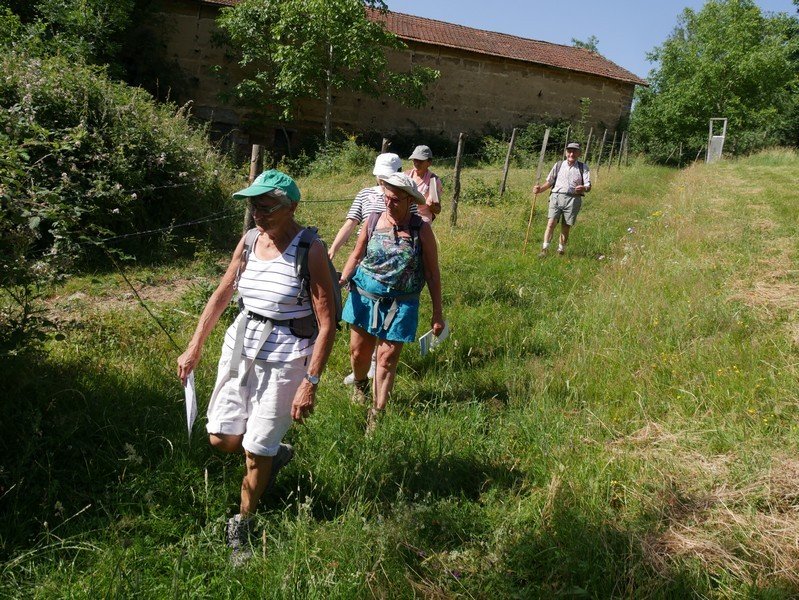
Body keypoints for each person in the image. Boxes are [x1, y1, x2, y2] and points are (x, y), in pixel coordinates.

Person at [176, 170, 336, 565]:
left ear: (292, 206)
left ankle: (243, 527)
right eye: (253, 206)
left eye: (267, 206)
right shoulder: (249, 241)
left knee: (254, 449)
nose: (258, 214)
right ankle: (274, 454)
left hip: (286, 361)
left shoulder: (310, 248)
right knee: (221, 438)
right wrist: (195, 346)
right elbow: (223, 292)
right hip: (240, 349)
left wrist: (310, 381)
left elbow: (328, 320)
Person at [339, 172, 444, 432]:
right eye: (386, 197)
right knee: (358, 353)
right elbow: (357, 253)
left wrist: (437, 313)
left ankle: (377, 411)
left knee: (386, 359)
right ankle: (361, 385)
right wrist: (340, 281)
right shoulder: (373, 219)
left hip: (401, 304)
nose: (389, 203)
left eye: (395, 199)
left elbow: (432, 272)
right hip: (364, 297)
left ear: (409, 200)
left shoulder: (422, 229)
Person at [533, 142, 591, 256]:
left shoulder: (583, 167)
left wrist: (583, 188)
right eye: (569, 151)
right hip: (556, 197)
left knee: (566, 226)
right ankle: (544, 249)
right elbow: (550, 182)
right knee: (551, 223)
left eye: (575, 151)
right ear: (566, 152)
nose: (571, 153)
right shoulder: (558, 165)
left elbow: (588, 186)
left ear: (579, 153)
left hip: (573, 199)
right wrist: (540, 190)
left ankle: (561, 250)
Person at [405, 145, 443, 223]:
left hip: (422, 218)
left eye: (421, 161)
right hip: (404, 215)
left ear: (429, 163)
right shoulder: (405, 176)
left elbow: (437, 210)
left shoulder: (433, 180)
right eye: (415, 159)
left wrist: (431, 206)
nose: (417, 163)